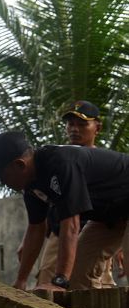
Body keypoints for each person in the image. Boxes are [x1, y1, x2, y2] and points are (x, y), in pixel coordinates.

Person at [0, 130, 129, 291]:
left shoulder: (61, 163)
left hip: (122, 203)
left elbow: (71, 224)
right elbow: (36, 228)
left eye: (3, 177)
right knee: (79, 272)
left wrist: (59, 281)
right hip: (110, 215)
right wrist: (21, 281)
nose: (3, 183)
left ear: (19, 164)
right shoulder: (31, 184)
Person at [33, 101, 115, 288]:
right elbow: (45, 199)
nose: (74, 129)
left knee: (96, 285)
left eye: (82, 124)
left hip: (97, 229)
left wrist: (118, 246)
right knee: (47, 284)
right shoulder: (58, 158)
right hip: (60, 232)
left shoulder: (106, 162)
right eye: (70, 124)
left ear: (97, 127)